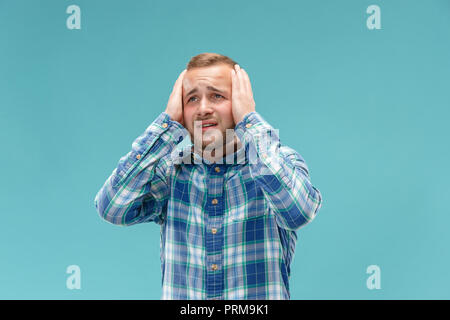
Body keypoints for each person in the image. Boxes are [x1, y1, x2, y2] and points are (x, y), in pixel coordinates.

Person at [94, 52, 323, 300]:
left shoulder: (278, 163)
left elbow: (299, 211)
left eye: (217, 96)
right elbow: (111, 208)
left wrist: (249, 120)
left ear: (238, 102)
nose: (203, 109)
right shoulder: (171, 172)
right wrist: (166, 125)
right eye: (192, 99)